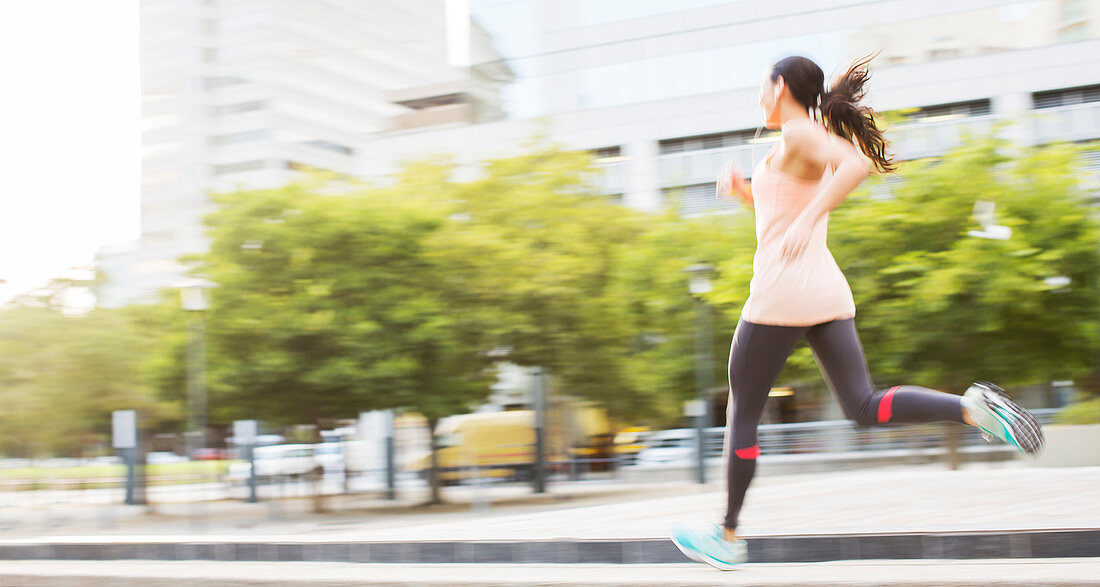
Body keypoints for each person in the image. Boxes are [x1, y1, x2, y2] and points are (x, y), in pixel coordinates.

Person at [670, 54, 1045, 571]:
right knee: (862, 405)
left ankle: (728, 536)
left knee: (742, 411)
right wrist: (746, 195)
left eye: (762, 84)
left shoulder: (801, 132)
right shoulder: (797, 140)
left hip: (782, 289)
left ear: (779, 87)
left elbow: (855, 165)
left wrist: (808, 218)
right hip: (822, 290)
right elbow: (787, 204)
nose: (758, 94)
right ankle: (969, 407)